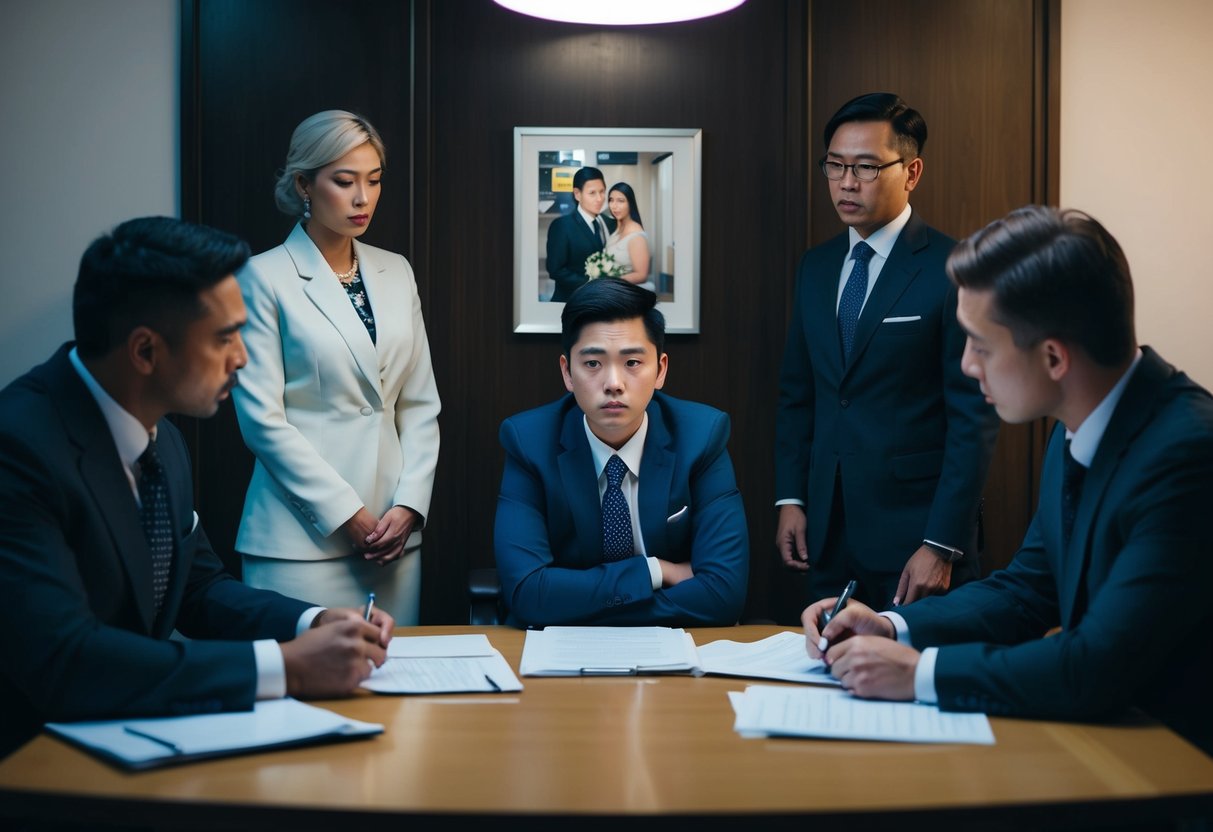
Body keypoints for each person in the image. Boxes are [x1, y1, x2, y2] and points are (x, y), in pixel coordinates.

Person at [804, 205, 1213, 756]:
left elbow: (1097, 664)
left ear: (1052, 358)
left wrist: (921, 674)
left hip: (1175, 766)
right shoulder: (1078, 426)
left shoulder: (1187, 455)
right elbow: (1027, 590)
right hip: (1104, 744)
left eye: (981, 344)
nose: (968, 365)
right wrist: (890, 626)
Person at [0, 216, 395, 758]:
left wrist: (312, 621)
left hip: (134, 743)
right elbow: (65, 659)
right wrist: (285, 667)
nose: (243, 357)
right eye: (225, 337)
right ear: (145, 352)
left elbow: (198, 590)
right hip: (34, 765)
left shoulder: (162, 438)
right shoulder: (18, 449)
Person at [774, 92, 998, 616]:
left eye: (867, 167)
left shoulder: (953, 267)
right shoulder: (817, 266)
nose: (846, 183)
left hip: (915, 536)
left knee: (911, 682)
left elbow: (974, 418)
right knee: (826, 674)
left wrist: (943, 542)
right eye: (835, 165)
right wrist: (792, 498)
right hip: (826, 536)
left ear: (912, 171)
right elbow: (798, 394)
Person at [232, 110, 441, 625]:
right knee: (305, 698)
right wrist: (345, 514)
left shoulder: (397, 271)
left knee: (397, 693)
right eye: (344, 181)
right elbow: (262, 421)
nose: (362, 198)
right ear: (304, 183)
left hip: (393, 539)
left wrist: (410, 504)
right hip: (299, 540)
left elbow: (419, 405)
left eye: (373, 181)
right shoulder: (263, 277)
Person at [494, 279, 748, 626]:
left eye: (631, 362)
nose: (613, 382)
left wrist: (577, 603)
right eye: (593, 364)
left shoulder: (701, 436)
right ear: (568, 373)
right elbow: (527, 593)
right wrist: (655, 571)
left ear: (660, 370)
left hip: (672, 654)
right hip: (560, 653)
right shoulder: (529, 442)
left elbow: (724, 594)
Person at [545, 166, 615, 302]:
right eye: (592, 193)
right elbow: (556, 270)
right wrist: (592, 283)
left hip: (600, 303)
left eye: (602, 192)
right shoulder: (562, 225)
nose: (600, 198)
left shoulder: (608, 223)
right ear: (577, 194)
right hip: (569, 302)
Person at [604, 181, 654, 290]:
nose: (614, 206)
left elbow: (641, 275)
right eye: (611, 200)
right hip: (612, 290)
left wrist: (610, 283)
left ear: (630, 203)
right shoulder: (618, 228)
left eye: (620, 201)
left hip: (624, 292)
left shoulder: (636, 236)